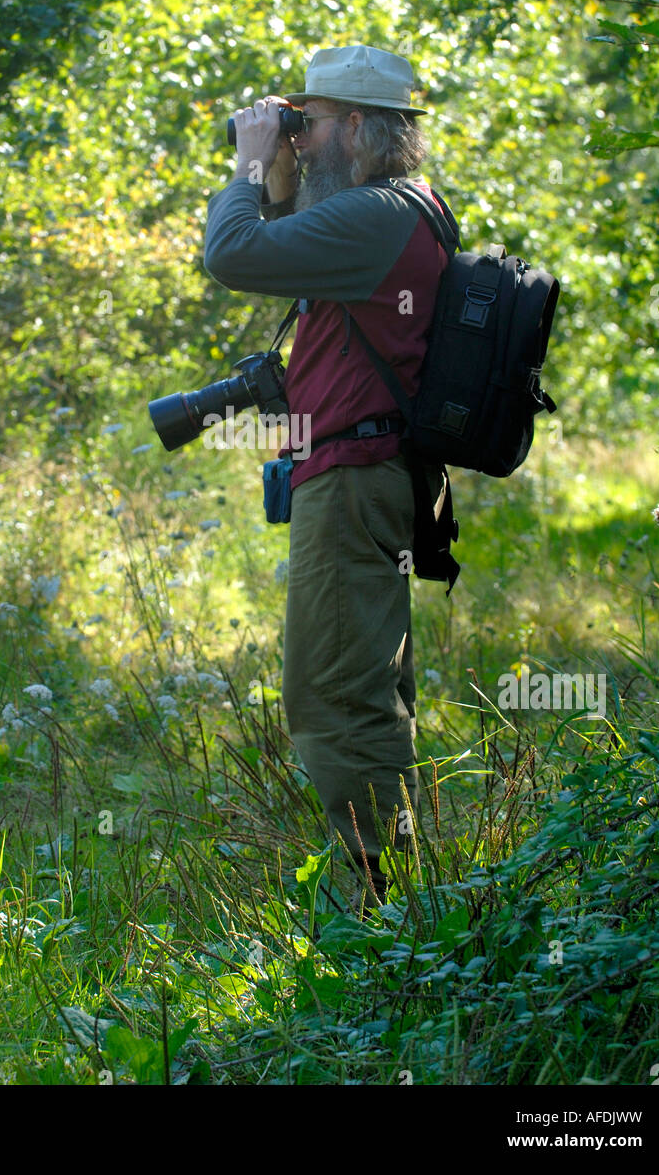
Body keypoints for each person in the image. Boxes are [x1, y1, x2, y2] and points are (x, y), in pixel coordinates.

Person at [203, 44, 450, 900]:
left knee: (334, 693)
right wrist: (274, 169)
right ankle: (397, 893)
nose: (299, 142)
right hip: (368, 475)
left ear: (357, 126)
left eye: (309, 126)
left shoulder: (379, 216)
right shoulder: (394, 209)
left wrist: (243, 162)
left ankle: (378, 907)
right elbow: (282, 239)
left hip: (351, 481)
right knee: (364, 682)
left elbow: (235, 255)